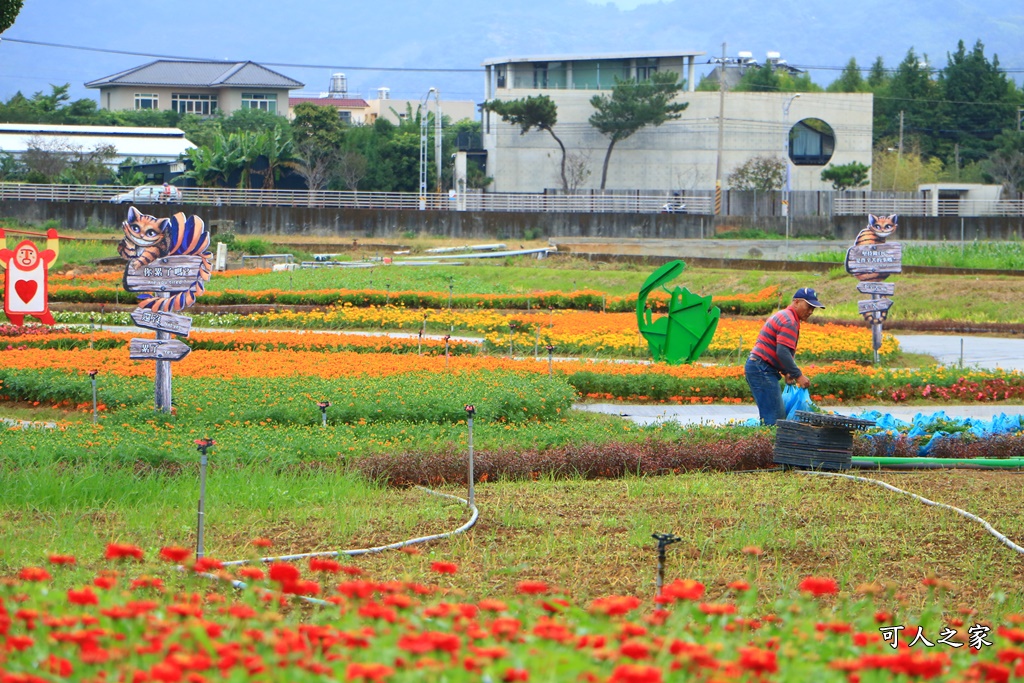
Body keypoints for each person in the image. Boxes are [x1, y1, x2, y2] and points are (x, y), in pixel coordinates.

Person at [744, 287, 825, 425]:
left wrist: (787, 371)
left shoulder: (785, 316)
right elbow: (782, 352)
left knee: (772, 416)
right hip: (762, 369)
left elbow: (778, 349)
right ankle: (769, 445)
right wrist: (798, 376)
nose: (811, 311)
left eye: (813, 308)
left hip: (758, 366)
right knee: (774, 419)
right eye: (808, 306)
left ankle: (766, 444)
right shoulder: (789, 321)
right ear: (796, 302)